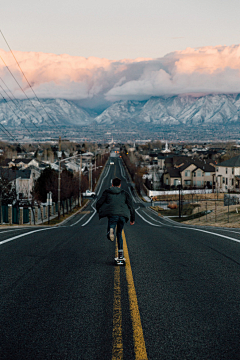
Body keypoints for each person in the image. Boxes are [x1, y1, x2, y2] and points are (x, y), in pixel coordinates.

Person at [96, 177, 135, 262]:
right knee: (119, 233)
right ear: (120, 185)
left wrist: (98, 210)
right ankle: (120, 255)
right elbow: (131, 206)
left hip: (112, 215)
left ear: (112, 184)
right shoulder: (124, 193)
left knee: (110, 231)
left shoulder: (107, 192)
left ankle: (111, 230)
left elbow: (99, 202)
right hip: (122, 216)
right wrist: (132, 219)